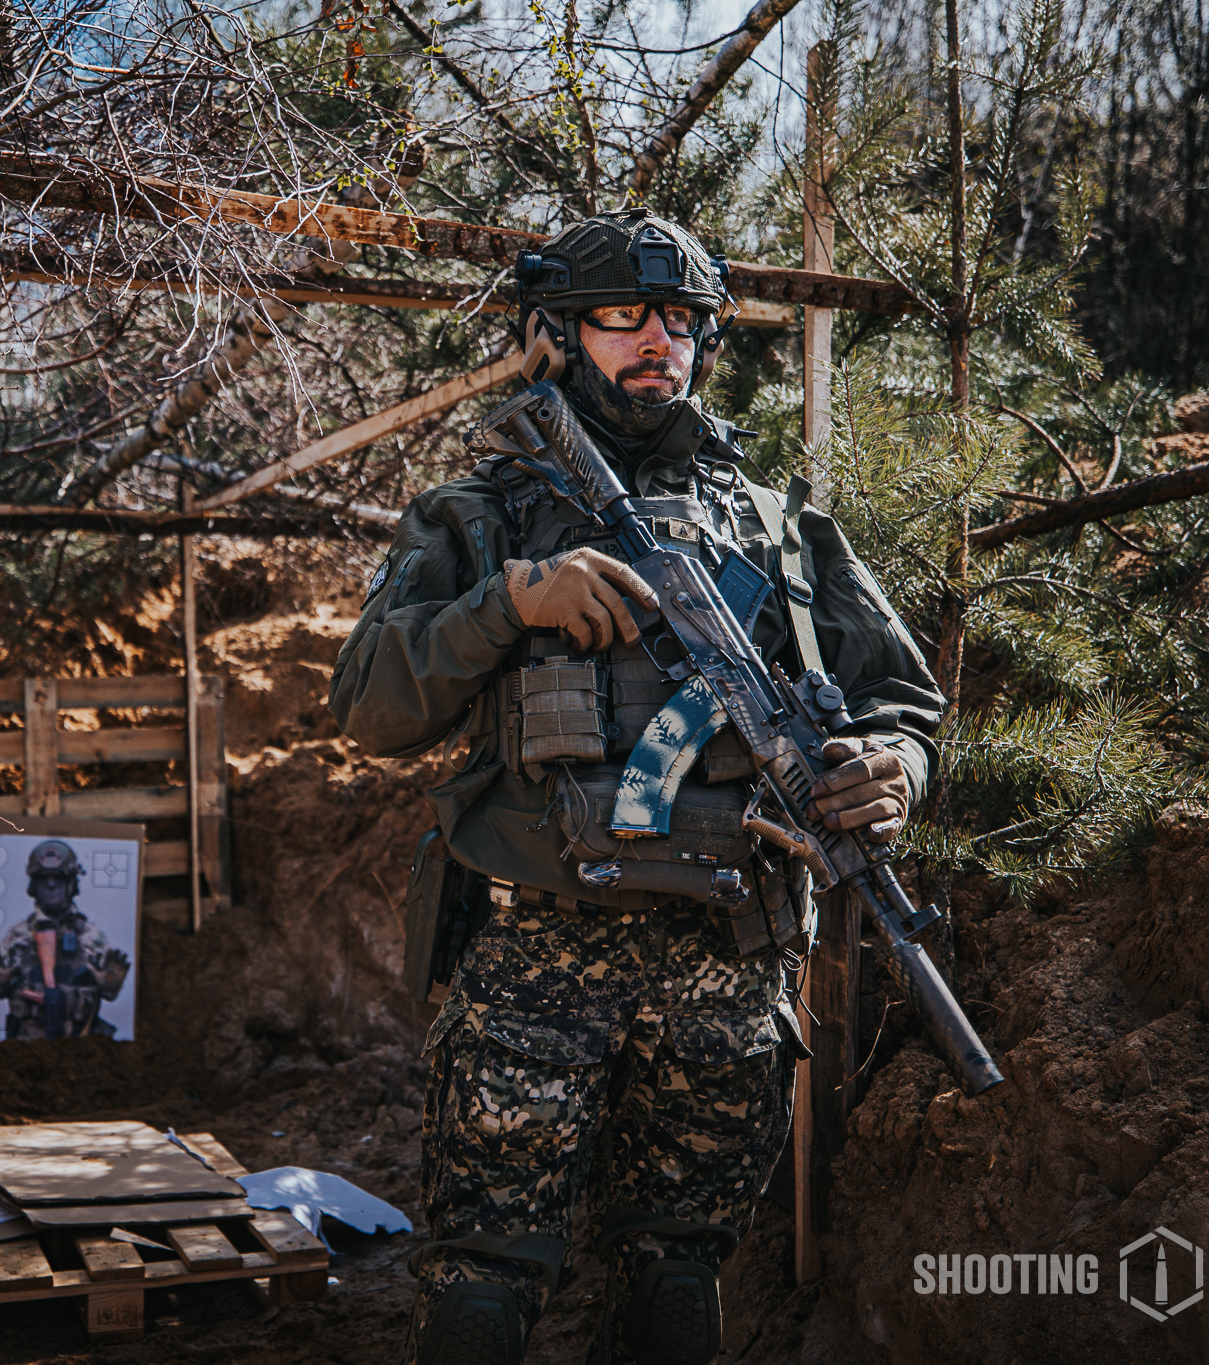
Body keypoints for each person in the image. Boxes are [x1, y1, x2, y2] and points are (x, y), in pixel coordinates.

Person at [326, 209, 945, 1365]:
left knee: (675, 1286)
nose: (656, 338)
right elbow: (365, 703)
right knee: (480, 1291)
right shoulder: (481, 513)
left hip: (724, 963)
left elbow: (900, 696)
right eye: (621, 314)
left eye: (681, 318)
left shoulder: (778, 528)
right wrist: (508, 604)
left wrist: (890, 768)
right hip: (532, 959)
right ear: (557, 333)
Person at [0, 840, 131, 1040]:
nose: (50, 884)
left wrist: (110, 987)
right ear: (33, 884)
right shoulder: (18, 936)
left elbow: (108, 994)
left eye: (58, 877)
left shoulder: (92, 937)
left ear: (71, 883)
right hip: (26, 1048)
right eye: (43, 878)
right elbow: (0, 991)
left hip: (81, 1046)